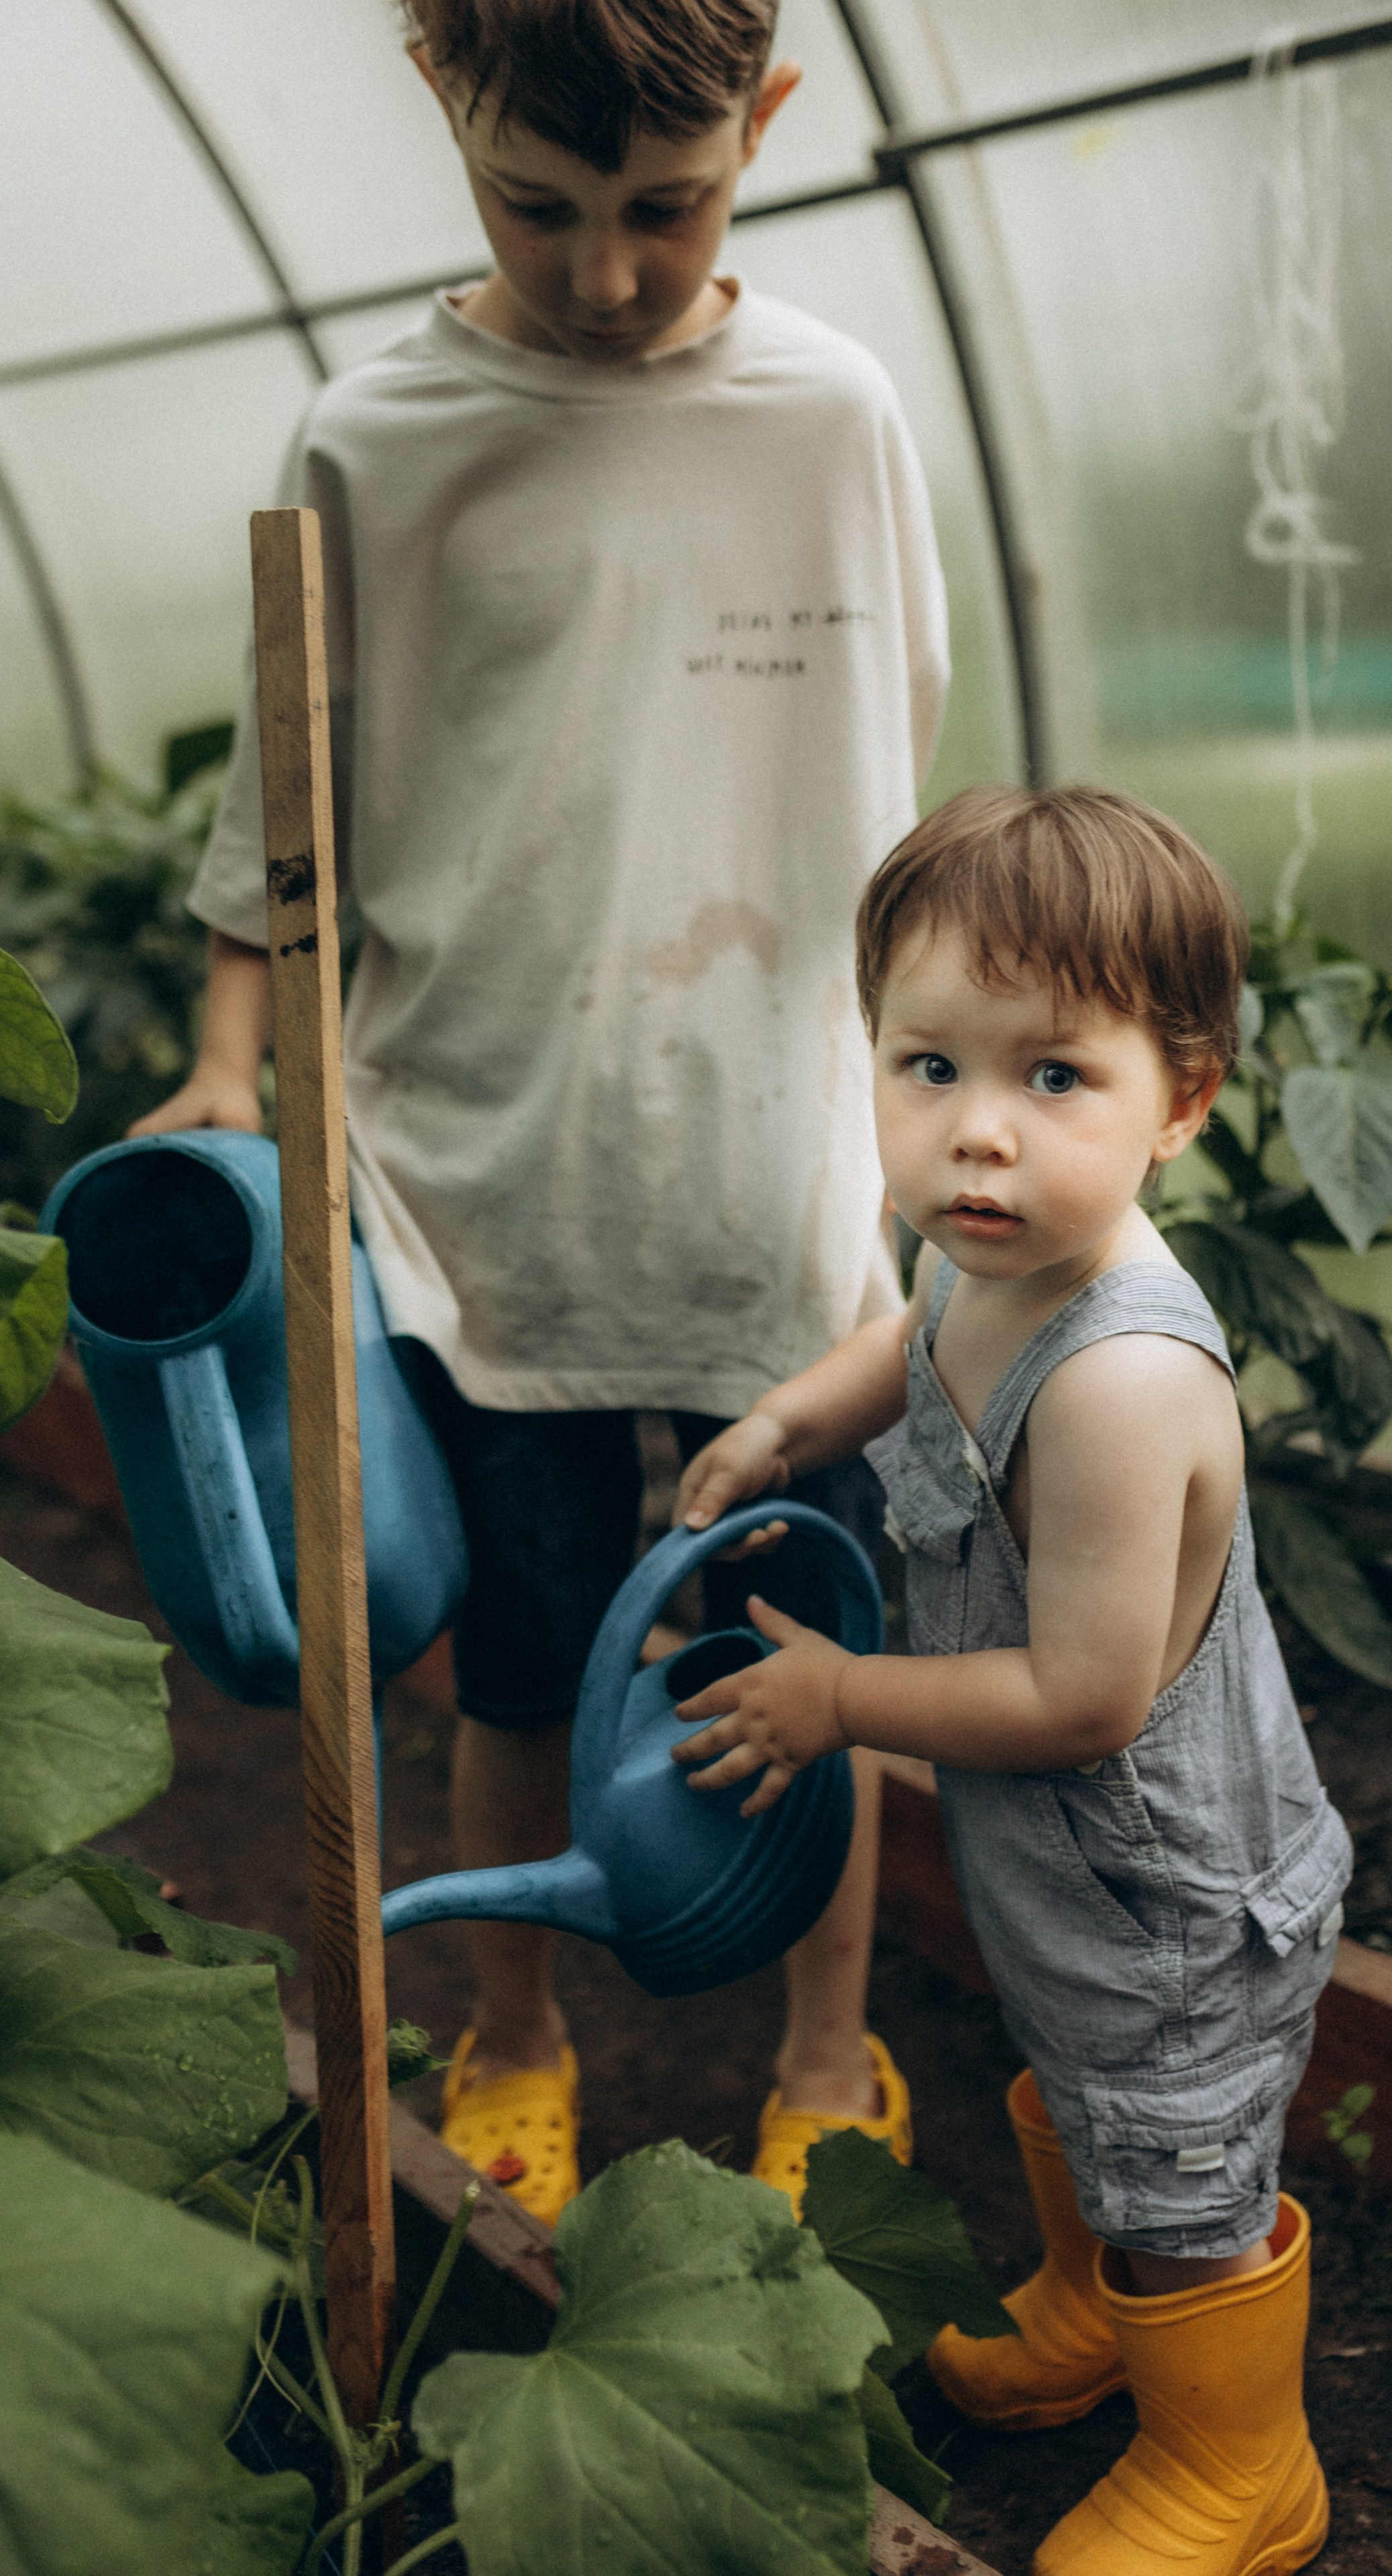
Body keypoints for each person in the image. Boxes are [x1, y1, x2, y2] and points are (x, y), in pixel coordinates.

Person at [139, 0, 947, 2226]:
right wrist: (227, 1059)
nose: (605, 270)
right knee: (515, 1655)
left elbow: (897, 767)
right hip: (480, 1181)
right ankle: (512, 2037)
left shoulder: (836, 415)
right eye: (538, 205)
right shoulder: (376, 440)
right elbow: (282, 799)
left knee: (806, 1652)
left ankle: (825, 2054)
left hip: (777, 1179)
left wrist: (934, 1094)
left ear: (767, 121)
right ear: (443, 98)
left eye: (669, 207)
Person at [670, 784, 1352, 2576]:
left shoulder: (1123, 1381)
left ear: (1180, 1102)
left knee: (1179, 2149)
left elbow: (1084, 1700)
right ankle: (1089, 2304)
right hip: (1067, 1873)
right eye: (930, 1067)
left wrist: (841, 1701)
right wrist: (786, 1420)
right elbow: (912, 1343)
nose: (979, 1131)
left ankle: (1242, 2462)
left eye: (1056, 1076)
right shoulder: (986, 1252)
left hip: (1169, 1885)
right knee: (1083, 2076)